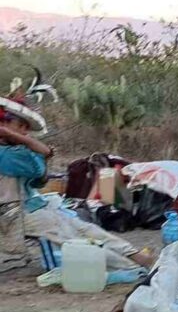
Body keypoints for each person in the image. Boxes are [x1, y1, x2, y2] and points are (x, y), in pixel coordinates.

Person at [0, 86, 154, 273]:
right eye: (16, 125)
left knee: (84, 229)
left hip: (32, 207)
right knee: (77, 240)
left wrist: (18, 139)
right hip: (17, 214)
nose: (23, 131)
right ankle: (130, 266)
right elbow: (42, 159)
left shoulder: (14, 151)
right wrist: (21, 140)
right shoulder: (9, 154)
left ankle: (135, 257)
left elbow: (39, 178)